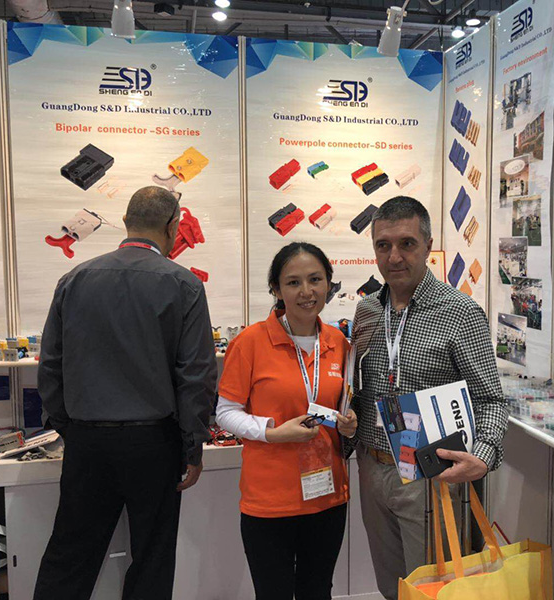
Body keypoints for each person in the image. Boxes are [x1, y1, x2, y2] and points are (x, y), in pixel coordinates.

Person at [34, 186, 218, 600]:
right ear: (173, 227)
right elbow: (196, 375)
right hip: (154, 443)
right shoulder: (184, 284)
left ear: (125, 222)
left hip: (87, 440)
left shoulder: (74, 279)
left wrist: (68, 427)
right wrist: (193, 445)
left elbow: (50, 365)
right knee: (152, 559)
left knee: (70, 557)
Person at [348, 196, 508, 600]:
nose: (394, 257)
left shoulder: (460, 312)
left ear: (428, 246)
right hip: (373, 468)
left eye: (407, 243)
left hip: (430, 476)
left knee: (435, 591)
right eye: (383, 245)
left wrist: (483, 456)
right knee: (391, 586)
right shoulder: (367, 311)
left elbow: (491, 399)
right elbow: (360, 387)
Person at [216, 242, 358, 600]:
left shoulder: (339, 342)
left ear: (328, 284)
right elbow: (226, 412)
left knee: (317, 591)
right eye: (293, 282)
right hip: (270, 500)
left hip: (327, 497)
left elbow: (340, 404)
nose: (306, 291)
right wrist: (272, 433)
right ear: (277, 290)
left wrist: (348, 422)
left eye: (315, 279)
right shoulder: (250, 342)